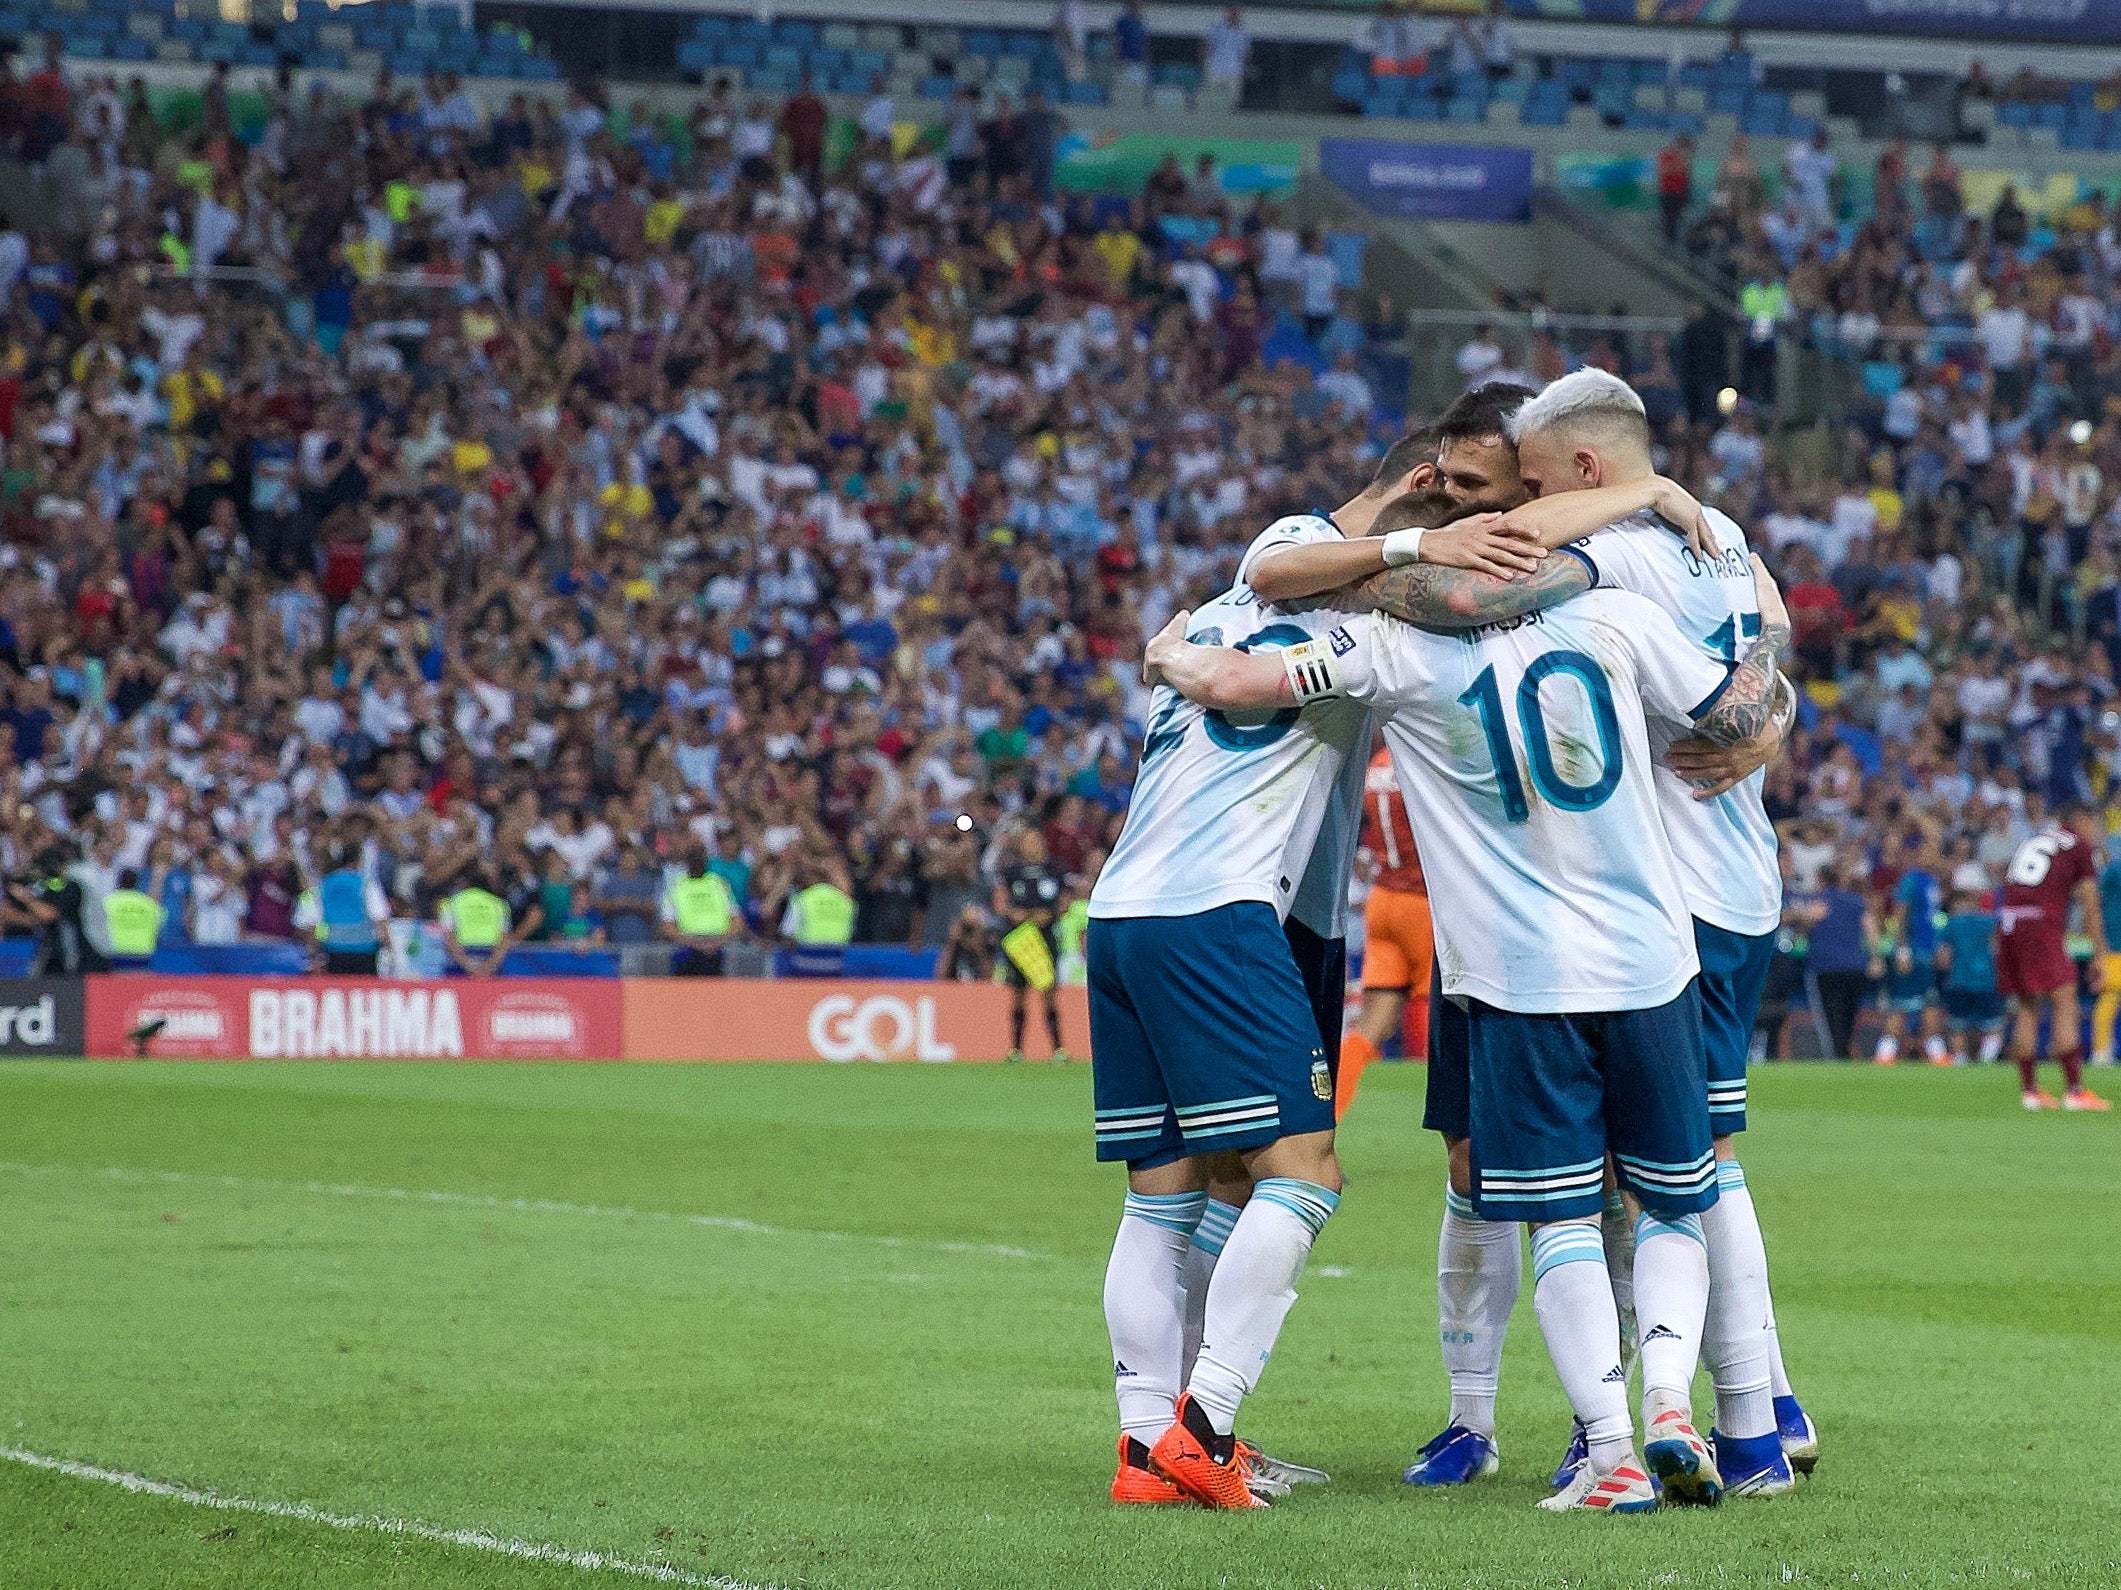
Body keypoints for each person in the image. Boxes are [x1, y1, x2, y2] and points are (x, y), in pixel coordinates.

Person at [1148, 501, 1793, 1513]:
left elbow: (1235, 679)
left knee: (1562, 1217)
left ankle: (1616, 1451)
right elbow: (1748, 699)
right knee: (1674, 1196)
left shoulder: (1397, 648)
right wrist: (1766, 702)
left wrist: (1170, 654)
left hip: (1519, 975)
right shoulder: (1620, 619)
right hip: (1652, 960)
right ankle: (1677, 1398)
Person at [1276, 371, 1810, 1491]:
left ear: (1576, 475)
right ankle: (1705, 1410)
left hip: (1644, 905)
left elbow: (1475, 583)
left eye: (1510, 487)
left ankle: (1730, 1415)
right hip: (1688, 893)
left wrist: (1638, 496)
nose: (1490, 513)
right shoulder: (1719, 543)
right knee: (1614, 1173)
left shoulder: (1601, 562)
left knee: (1662, 1178)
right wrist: (1771, 722)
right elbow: (1769, 640)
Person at [1085, 543, 1376, 1511]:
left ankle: (1144, 1448)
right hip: (1235, 912)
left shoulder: (1205, 616)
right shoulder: (1363, 630)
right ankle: (1203, 1429)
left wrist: (1164, 655)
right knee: (1303, 1173)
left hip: (1126, 908)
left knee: (1164, 1199)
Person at [1335, 747, 1430, 1118]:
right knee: (1437, 1015)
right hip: (1421, 900)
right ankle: (1455, 1146)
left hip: (1383, 899)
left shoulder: (1376, 764)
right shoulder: (1420, 761)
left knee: (1373, 1021)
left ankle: (1329, 1121)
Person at [1997, 812, 2111, 1111]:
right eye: (2097, 826)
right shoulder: (2078, 846)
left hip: (2008, 921)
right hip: (2039, 924)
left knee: (2027, 1005)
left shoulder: (2035, 839)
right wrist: (2100, 954)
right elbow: (2090, 903)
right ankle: (2074, 1091)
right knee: (2064, 1000)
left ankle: (2030, 1091)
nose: (2098, 833)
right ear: (2083, 820)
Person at [994, 828, 1068, 1063]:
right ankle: (1016, 1049)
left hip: (1045, 938)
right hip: (1021, 939)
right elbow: (1000, 902)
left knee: (1048, 991)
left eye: (1036, 840)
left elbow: (1065, 901)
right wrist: (1013, 914)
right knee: (1018, 993)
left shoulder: (1055, 869)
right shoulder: (1012, 872)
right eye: (1028, 841)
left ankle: (1058, 1049)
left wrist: (1050, 914)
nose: (1033, 845)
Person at [1938, 887, 2006, 1066]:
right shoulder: (1990, 922)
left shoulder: (1951, 924)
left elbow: (1944, 957)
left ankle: (1960, 1061)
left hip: (1958, 981)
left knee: (1957, 1026)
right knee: (1993, 1026)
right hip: (1986, 981)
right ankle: (1986, 1060)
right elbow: (1997, 950)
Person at [298, 847, 388, 974]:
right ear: (358, 861)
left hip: (333, 950)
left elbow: (314, 923)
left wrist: (315, 950)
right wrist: (388, 946)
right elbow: (380, 918)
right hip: (365, 950)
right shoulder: (367, 884)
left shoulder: (321, 885)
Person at [662, 846, 740, 975]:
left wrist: (717, 943)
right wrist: (696, 944)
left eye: (700, 859)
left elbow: (737, 922)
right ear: (687, 862)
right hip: (687, 945)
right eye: (694, 860)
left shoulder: (719, 884)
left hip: (719, 946)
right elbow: (667, 925)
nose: (697, 863)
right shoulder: (676, 885)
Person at [440, 870, 515, 977]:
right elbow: (505, 939)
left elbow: (449, 937)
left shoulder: (450, 903)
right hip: (491, 955)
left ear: (464, 883)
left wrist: (467, 964)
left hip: (460, 958)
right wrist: (489, 966)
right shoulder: (499, 904)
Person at [2090, 841, 2121, 1066]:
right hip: (2115, 944)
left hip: (2112, 942)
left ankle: (2102, 1051)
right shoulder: (2114, 870)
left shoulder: (2111, 870)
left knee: (2110, 998)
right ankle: (2101, 1051)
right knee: (2110, 997)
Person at [102, 868, 163, 968]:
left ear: (118, 882)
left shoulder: (108, 902)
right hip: (142, 954)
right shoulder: (150, 904)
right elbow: (160, 924)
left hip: (116, 953)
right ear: (137, 882)